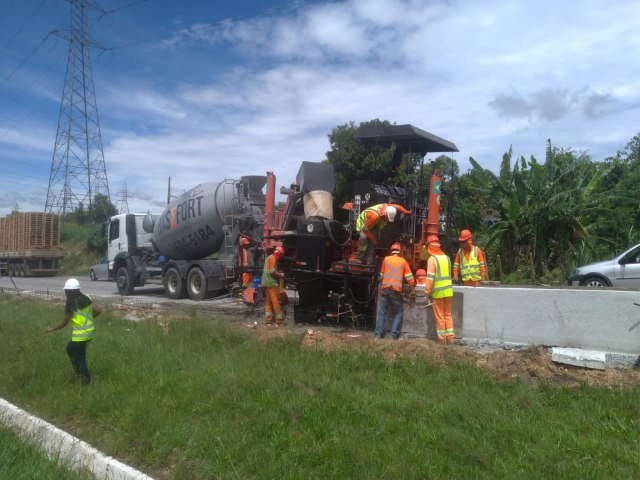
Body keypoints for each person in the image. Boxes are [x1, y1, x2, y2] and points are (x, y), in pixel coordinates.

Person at [46, 278, 101, 385]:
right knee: (69, 349)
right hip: (89, 331)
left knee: (81, 359)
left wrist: (51, 329)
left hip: (80, 335)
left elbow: (64, 323)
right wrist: (89, 319)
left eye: (66, 291)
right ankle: (77, 372)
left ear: (69, 291)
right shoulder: (87, 297)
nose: (65, 292)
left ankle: (86, 382)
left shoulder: (71, 304)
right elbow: (98, 310)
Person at [374, 242, 415, 340]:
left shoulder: (386, 259)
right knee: (399, 312)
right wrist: (413, 286)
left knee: (382, 312)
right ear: (400, 252)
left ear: (391, 251)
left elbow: (381, 275)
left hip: (385, 289)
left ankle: (378, 335)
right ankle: (393, 334)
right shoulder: (403, 261)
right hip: (395, 291)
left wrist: (380, 285)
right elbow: (410, 278)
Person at [424, 235, 454, 344]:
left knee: (440, 317)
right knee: (448, 315)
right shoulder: (447, 258)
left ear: (429, 247)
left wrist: (427, 292)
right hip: (448, 291)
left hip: (438, 293)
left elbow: (430, 278)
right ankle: (450, 338)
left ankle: (442, 340)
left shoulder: (432, 259)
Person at [261, 245, 285, 326]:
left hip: (266, 283)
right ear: (279, 253)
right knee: (276, 302)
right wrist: (280, 274)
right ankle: (279, 320)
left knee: (268, 302)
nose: (280, 257)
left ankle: (268, 320)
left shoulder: (269, 257)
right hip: (271, 283)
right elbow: (272, 271)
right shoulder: (273, 258)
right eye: (280, 255)